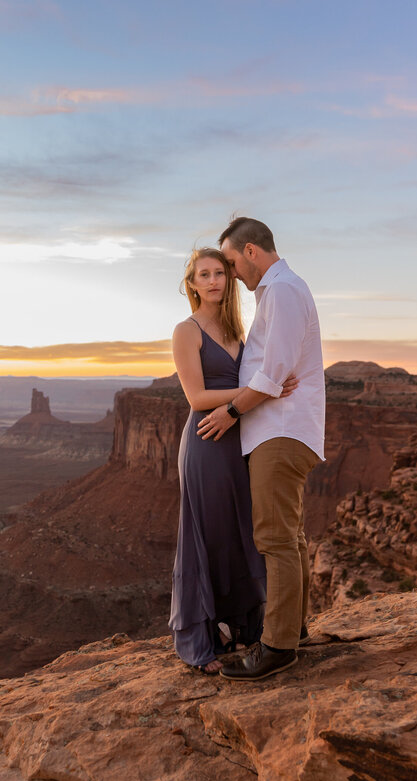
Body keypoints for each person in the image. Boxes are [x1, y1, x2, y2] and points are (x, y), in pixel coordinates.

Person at [198, 217, 325, 681]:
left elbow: (273, 376)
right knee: (289, 536)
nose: (230, 274)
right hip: (278, 429)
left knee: (274, 537)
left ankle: (277, 647)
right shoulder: (275, 293)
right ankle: (294, 629)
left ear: (251, 251)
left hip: (281, 431)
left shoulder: (284, 291)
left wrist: (231, 412)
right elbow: (271, 374)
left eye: (230, 263)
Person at [168, 247, 296, 674]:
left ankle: (242, 630)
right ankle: (200, 644)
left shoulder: (237, 329)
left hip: (237, 438)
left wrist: (263, 387)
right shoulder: (186, 331)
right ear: (192, 284)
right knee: (206, 535)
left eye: (219, 273)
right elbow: (197, 398)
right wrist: (264, 387)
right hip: (207, 441)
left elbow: (256, 381)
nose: (213, 281)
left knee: (237, 534)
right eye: (203, 275)